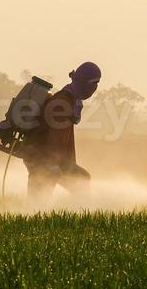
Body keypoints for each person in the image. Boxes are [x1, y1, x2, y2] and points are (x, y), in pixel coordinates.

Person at [24, 62, 98, 200]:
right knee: (37, 203)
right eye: (93, 82)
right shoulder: (62, 103)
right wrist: (53, 164)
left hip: (50, 159)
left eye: (97, 83)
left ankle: (78, 214)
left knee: (82, 179)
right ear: (82, 81)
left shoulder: (71, 100)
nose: (95, 87)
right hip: (42, 158)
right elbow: (56, 137)